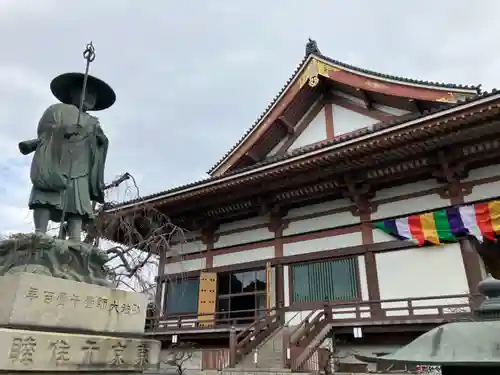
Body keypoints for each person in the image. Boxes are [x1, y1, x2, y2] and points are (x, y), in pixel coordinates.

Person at [19, 72, 116, 241]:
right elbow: (44, 130)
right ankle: (40, 232)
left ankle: (75, 237)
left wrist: (100, 142)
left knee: (76, 206)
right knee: (45, 198)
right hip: (57, 161)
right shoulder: (56, 110)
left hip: (80, 166)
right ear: (73, 93)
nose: (90, 99)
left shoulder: (92, 122)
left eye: (93, 97)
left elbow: (99, 146)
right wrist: (63, 131)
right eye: (87, 93)